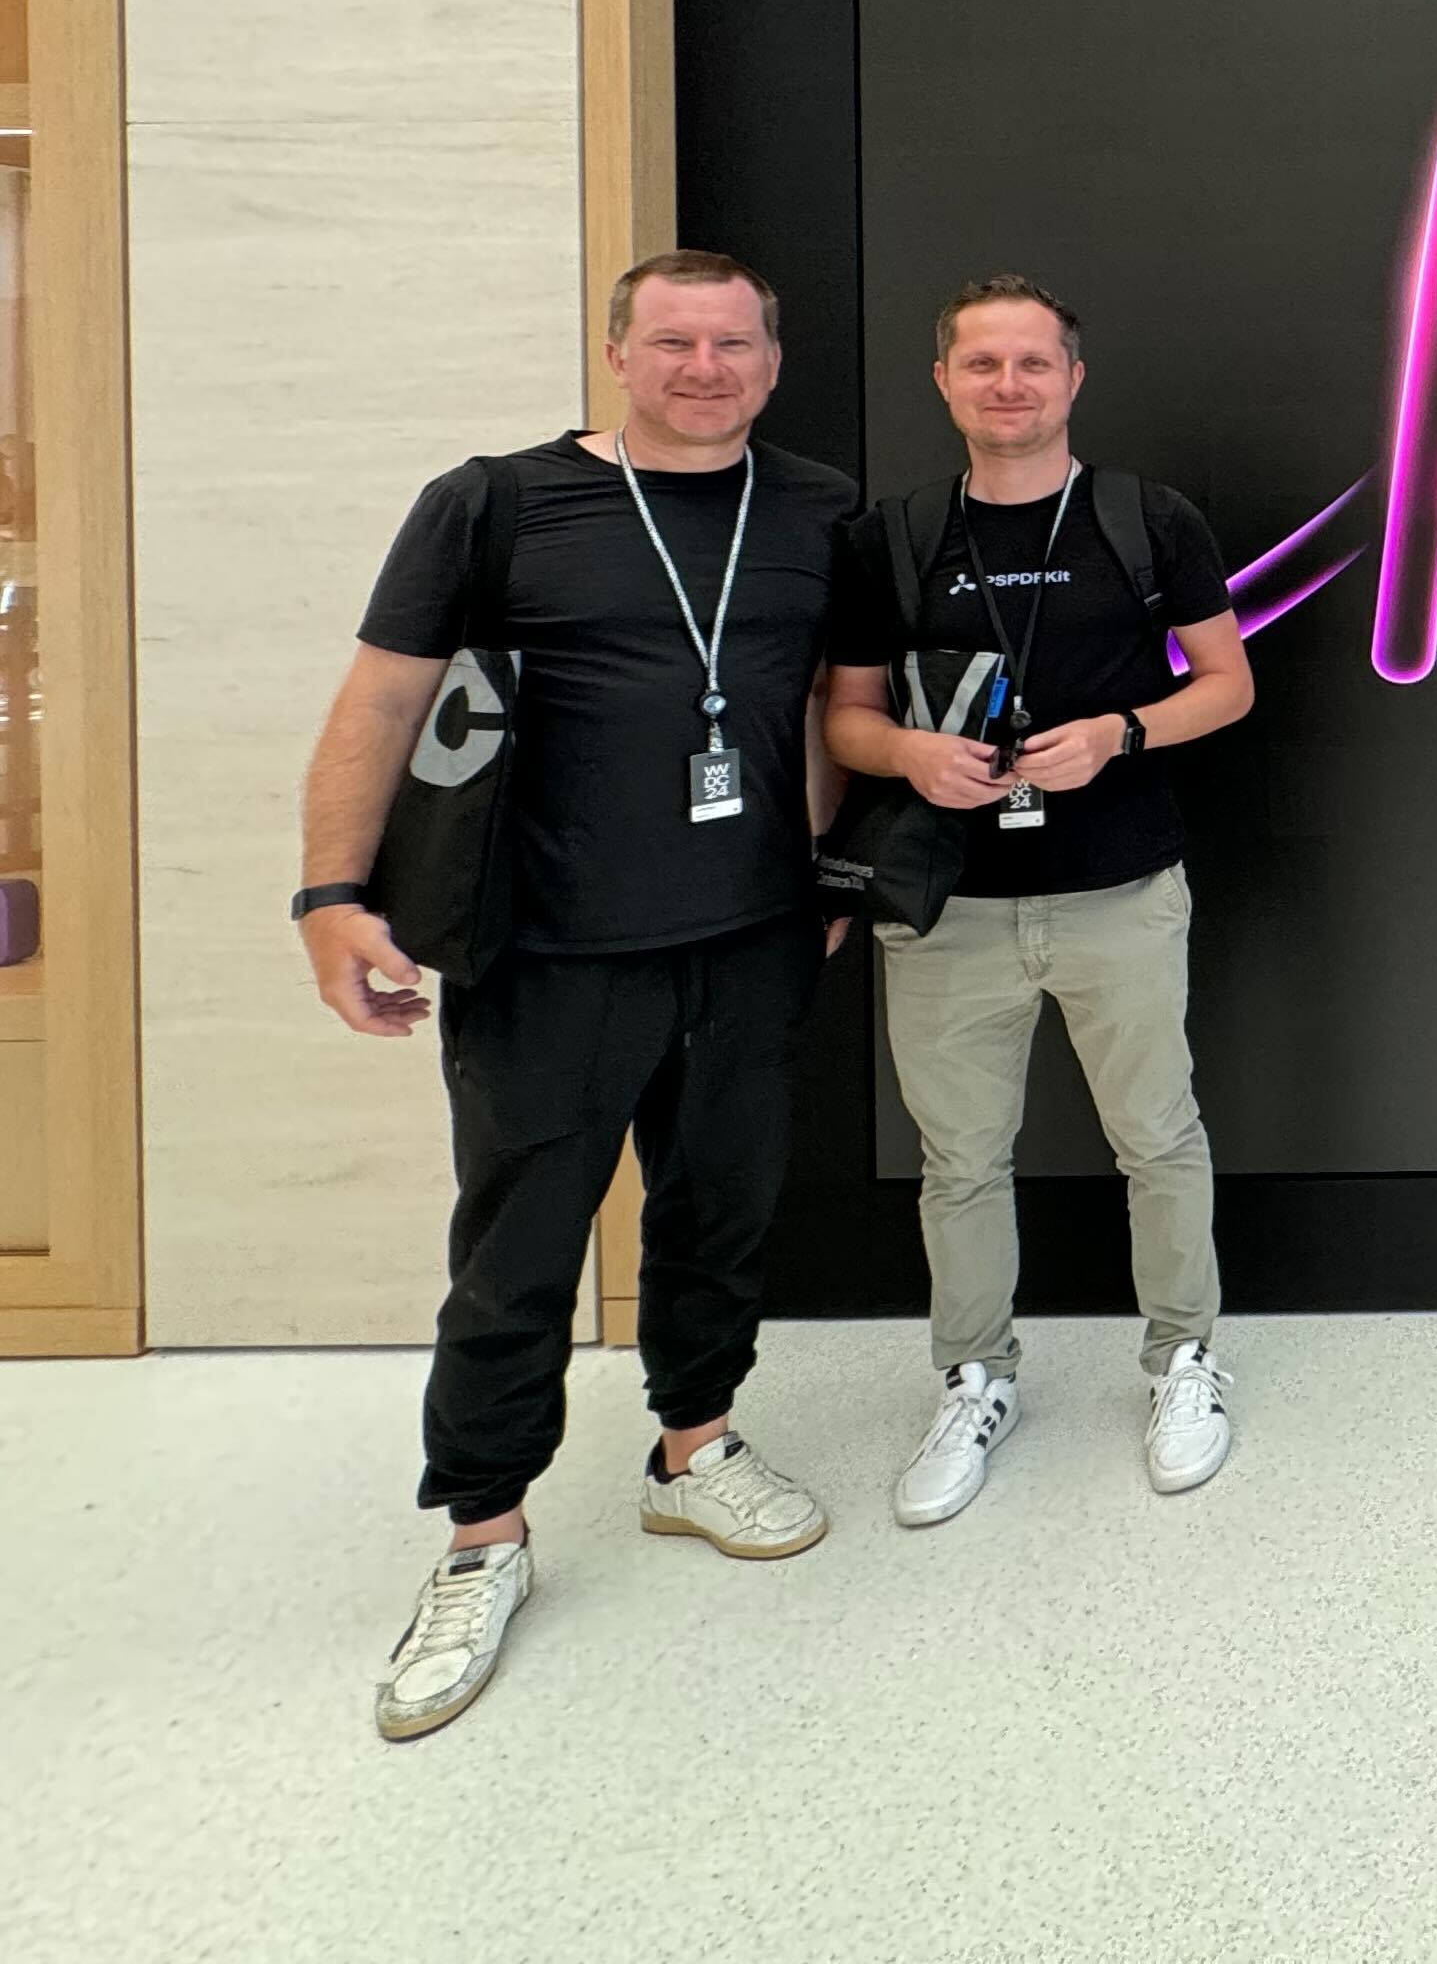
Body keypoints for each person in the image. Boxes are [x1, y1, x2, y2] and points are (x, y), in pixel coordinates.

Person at [298, 249, 866, 1743]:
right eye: (672, 339)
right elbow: (383, 697)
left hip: (749, 936)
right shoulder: (494, 503)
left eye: (733, 341)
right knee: (519, 1247)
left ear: (771, 358)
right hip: (545, 952)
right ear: (618, 352)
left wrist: (823, 877)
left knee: (719, 1209)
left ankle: (695, 1449)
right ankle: (483, 1535)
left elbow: (824, 708)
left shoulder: (816, 508)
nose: (704, 366)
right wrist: (330, 896)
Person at [824, 276, 1253, 1527]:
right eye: (982, 364)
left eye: (1033, 364)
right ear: (944, 382)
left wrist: (1121, 731)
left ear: (1074, 379)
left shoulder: (1143, 518)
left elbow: (1225, 685)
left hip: (1120, 888)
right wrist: (910, 756)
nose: (1008, 385)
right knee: (958, 1160)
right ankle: (973, 1377)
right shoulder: (891, 537)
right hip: (949, 905)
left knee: (1157, 1135)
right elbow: (843, 717)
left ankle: (1183, 1360)